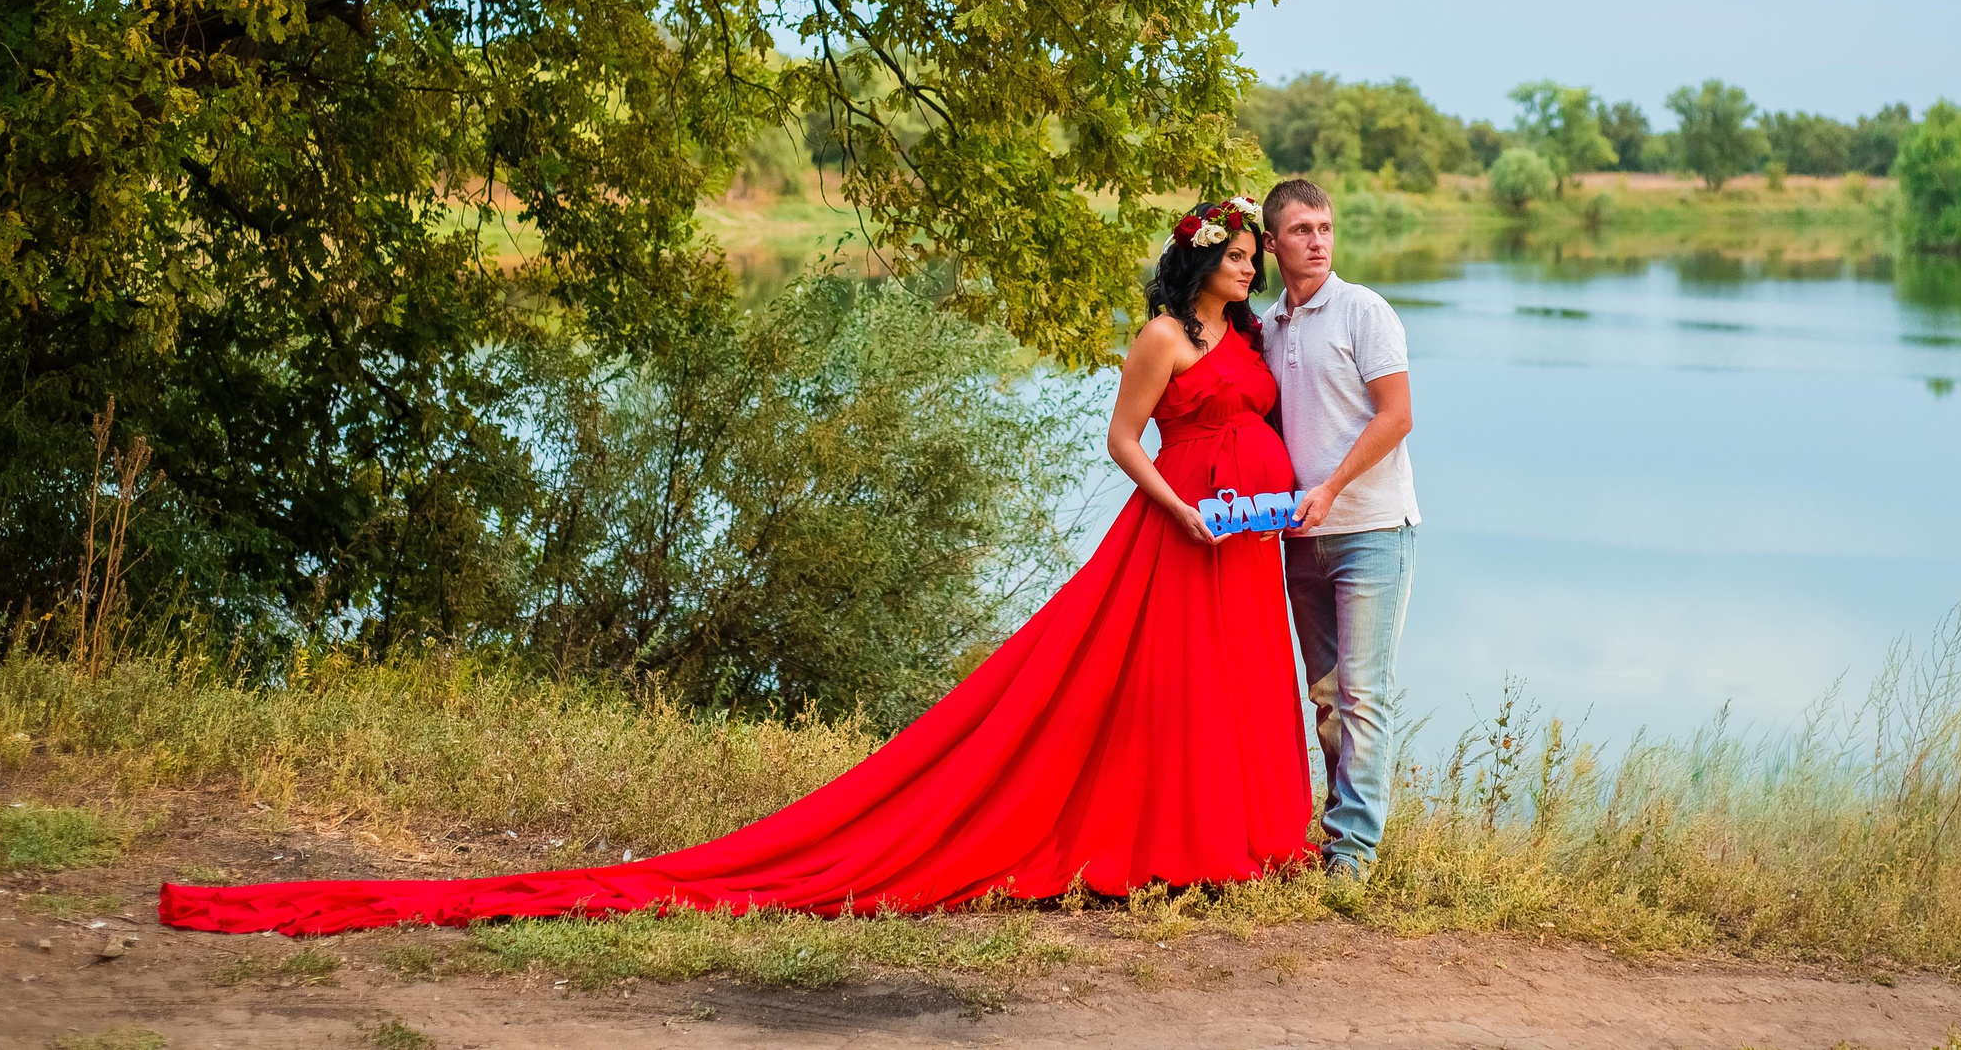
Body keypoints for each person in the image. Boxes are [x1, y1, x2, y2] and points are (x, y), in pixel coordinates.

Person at [159, 199, 1312, 935]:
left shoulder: (1257, 338)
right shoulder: (1163, 339)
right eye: (1238, 251)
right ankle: (1169, 844)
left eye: (1257, 252)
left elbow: (1278, 411)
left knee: (1236, 688)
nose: (1247, 265)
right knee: (1155, 691)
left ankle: (1247, 840)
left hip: (1247, 539)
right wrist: (1185, 510)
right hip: (1181, 535)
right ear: (1196, 259)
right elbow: (1121, 442)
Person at [1262, 177, 1418, 878]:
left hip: (1372, 530)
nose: (1318, 240)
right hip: (1299, 538)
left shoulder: (1364, 310)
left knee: (1363, 692)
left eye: (1324, 227)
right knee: (1324, 695)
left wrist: (1330, 488)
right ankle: (1336, 833)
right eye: (1301, 230)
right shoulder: (1266, 325)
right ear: (1272, 243)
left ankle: (1352, 854)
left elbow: (1397, 415)